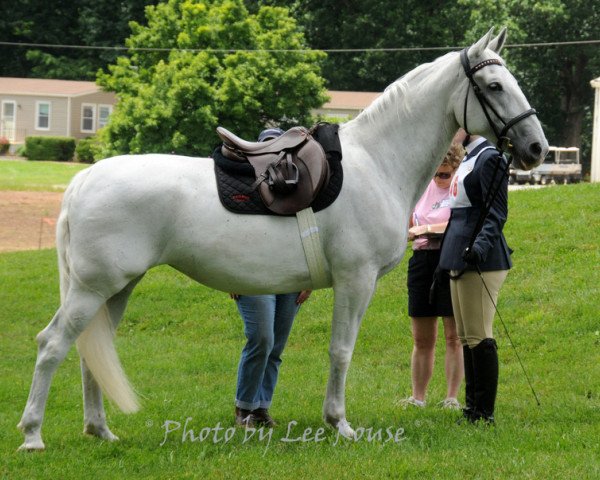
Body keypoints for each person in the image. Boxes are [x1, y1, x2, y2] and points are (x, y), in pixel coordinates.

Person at [232, 127, 312, 428]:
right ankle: (244, 407)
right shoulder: (244, 190)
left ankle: (262, 408)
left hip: (290, 278)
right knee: (261, 338)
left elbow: (311, 237)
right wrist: (231, 277)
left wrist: (310, 278)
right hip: (253, 275)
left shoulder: (300, 191)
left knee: (275, 346)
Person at [439, 130, 513, 424]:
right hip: (458, 253)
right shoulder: (470, 157)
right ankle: (472, 409)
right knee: (467, 337)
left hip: (481, 258)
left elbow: (498, 213)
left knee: (480, 335)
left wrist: (479, 247)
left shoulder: (490, 159)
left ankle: (484, 413)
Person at [400, 142, 464, 409]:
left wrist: (425, 228)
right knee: (422, 338)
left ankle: (451, 397)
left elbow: (458, 223)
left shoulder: (460, 187)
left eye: (445, 174)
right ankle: (418, 397)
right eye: (435, 173)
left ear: (455, 170)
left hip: (450, 259)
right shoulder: (421, 186)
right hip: (422, 260)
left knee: (454, 336)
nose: (439, 178)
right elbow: (408, 224)